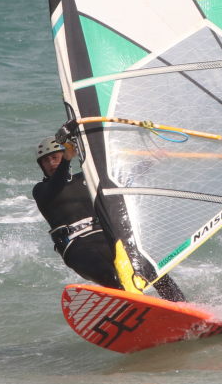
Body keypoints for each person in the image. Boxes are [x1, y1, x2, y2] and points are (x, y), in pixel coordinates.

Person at [33, 124, 186, 301]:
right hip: (76, 246)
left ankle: (182, 305)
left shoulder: (86, 178)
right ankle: (137, 308)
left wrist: (151, 160)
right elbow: (57, 186)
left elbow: (122, 177)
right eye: (46, 161)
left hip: (106, 236)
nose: (51, 163)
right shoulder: (41, 190)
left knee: (152, 270)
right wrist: (65, 160)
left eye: (55, 157)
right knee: (113, 278)